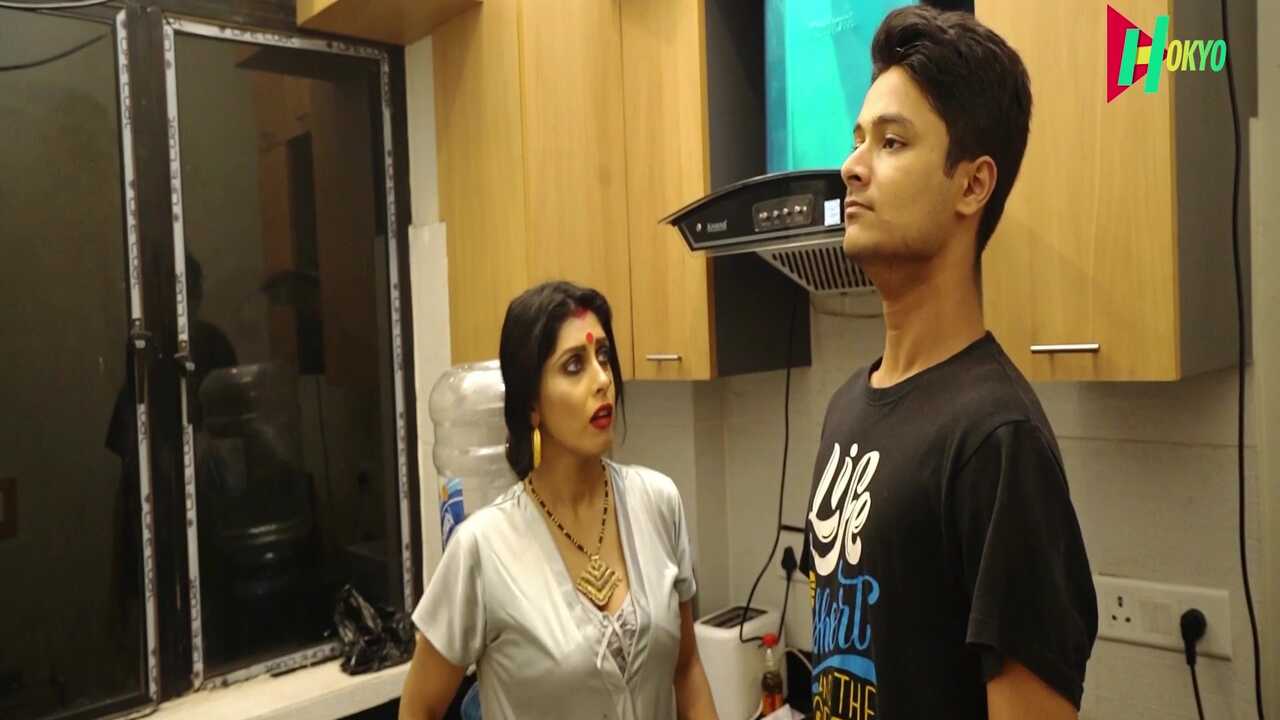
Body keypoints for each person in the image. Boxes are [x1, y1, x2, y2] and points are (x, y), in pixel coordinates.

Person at [804, 6, 1097, 719]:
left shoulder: (997, 441)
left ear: (972, 185)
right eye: (857, 139)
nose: (852, 166)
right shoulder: (845, 409)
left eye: (892, 142)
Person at [399, 281, 719, 720]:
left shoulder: (659, 504)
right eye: (574, 366)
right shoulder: (483, 549)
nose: (603, 380)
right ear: (532, 404)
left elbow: (686, 670)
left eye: (603, 356)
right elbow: (419, 707)